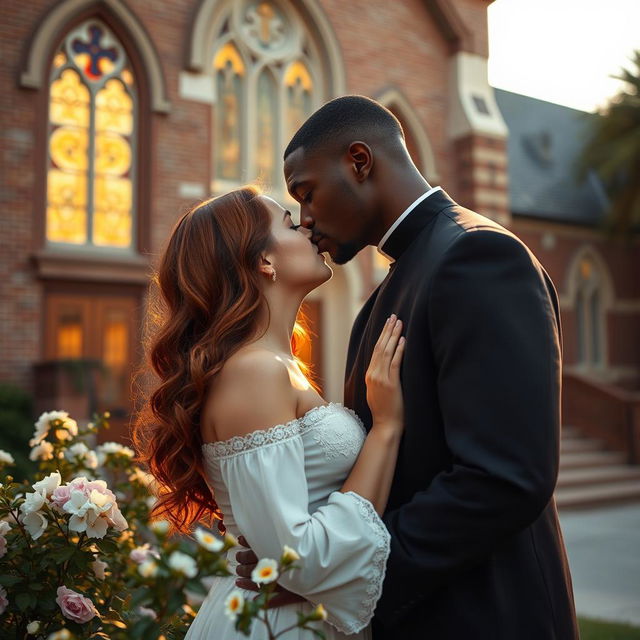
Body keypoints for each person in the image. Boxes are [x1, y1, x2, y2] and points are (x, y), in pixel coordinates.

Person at [236, 95, 579, 639]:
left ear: (359, 161)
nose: (305, 219)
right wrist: (296, 545)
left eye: (307, 193)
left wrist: (345, 572)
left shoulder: (481, 257)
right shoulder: (381, 297)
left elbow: (506, 477)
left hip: (488, 615)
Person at [133, 185, 408, 639]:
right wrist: (387, 427)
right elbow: (298, 558)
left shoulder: (274, 365)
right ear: (264, 261)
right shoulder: (254, 372)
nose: (307, 225)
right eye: (288, 222)